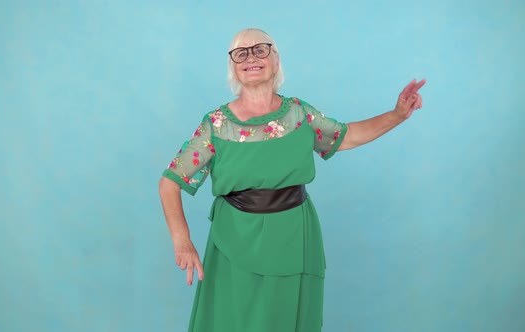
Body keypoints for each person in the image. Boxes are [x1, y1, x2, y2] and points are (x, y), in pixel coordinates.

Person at [159, 28, 425, 332]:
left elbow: (347, 136)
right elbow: (170, 182)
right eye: (241, 53)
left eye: (260, 49)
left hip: (295, 236)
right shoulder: (217, 125)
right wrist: (182, 242)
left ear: (275, 59)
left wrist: (397, 114)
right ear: (233, 66)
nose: (251, 58)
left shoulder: (299, 114)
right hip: (235, 238)